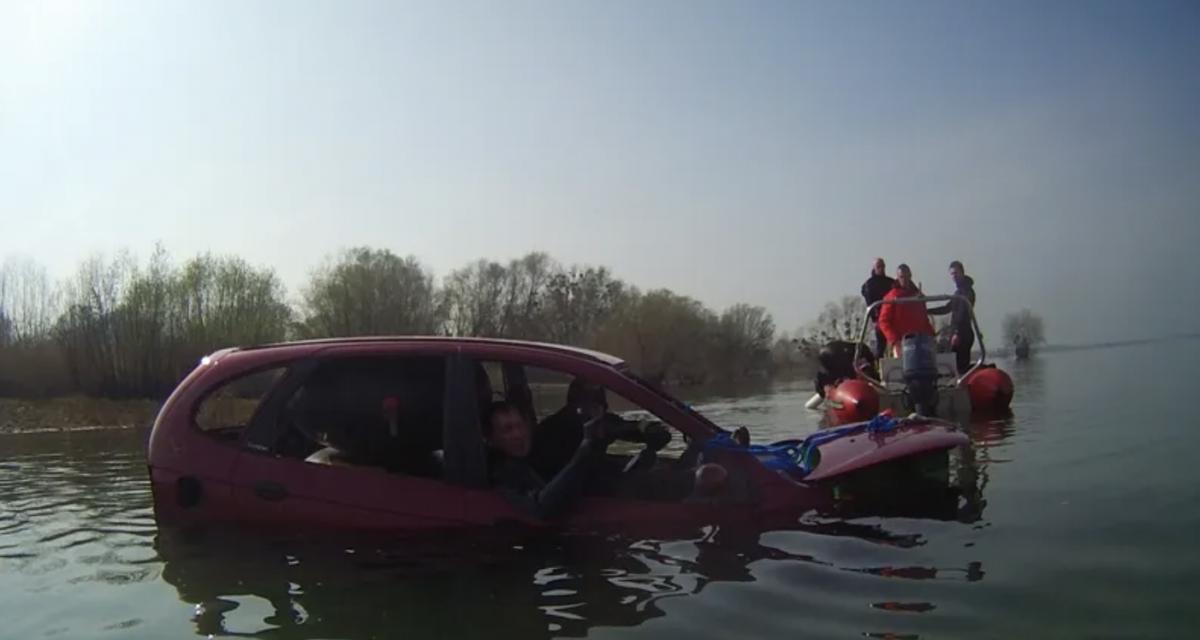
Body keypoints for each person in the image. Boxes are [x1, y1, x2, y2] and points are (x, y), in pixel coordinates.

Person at [484, 400, 608, 519]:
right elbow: (539, 508)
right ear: (491, 440)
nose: (518, 435)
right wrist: (583, 451)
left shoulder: (523, 460)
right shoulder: (500, 473)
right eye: (507, 429)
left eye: (519, 426)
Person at [530, 378, 670, 479]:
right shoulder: (556, 427)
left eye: (597, 407)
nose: (594, 413)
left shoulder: (604, 421)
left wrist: (649, 429)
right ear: (576, 407)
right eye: (587, 407)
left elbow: (628, 428)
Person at [877, 263, 935, 357]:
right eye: (901, 277)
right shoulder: (892, 297)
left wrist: (931, 336)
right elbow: (883, 321)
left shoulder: (918, 296)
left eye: (906, 276)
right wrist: (895, 340)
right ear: (898, 278)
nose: (904, 279)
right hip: (901, 343)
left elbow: (924, 320)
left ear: (910, 276)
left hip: (920, 342)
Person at [929, 260, 977, 373]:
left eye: (956, 273)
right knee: (954, 363)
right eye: (952, 274)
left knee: (960, 365)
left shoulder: (968, 292)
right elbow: (947, 308)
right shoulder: (958, 293)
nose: (954, 276)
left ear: (962, 272)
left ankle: (963, 383)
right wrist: (927, 311)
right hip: (957, 332)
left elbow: (963, 313)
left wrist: (956, 333)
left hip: (963, 333)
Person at [861, 258, 895, 359]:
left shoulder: (891, 282)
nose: (881, 268)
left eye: (883, 266)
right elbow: (869, 302)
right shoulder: (869, 285)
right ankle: (877, 363)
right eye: (879, 266)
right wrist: (875, 319)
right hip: (878, 318)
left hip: (893, 317)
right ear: (874, 268)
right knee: (880, 345)